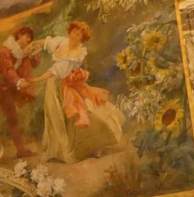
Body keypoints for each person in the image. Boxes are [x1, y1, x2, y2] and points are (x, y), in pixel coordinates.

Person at [30, 20, 124, 163]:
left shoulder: (78, 53)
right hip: (53, 85)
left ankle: (90, 146)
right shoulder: (61, 41)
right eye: (74, 31)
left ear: (82, 38)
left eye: (79, 34)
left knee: (79, 114)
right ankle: (57, 150)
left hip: (67, 85)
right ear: (70, 31)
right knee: (54, 116)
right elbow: (46, 43)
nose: (75, 35)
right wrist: (34, 44)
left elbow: (58, 71)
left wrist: (37, 80)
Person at [0, 26, 40, 158]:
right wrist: (18, 81)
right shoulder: (4, 52)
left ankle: (21, 150)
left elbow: (35, 64)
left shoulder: (20, 55)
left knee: (13, 121)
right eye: (27, 37)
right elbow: (8, 70)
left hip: (5, 91)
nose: (29, 40)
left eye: (31, 38)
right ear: (19, 35)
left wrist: (35, 52)